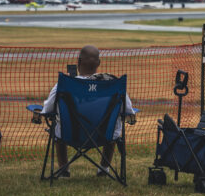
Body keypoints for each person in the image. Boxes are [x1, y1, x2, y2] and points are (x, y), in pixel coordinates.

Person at [40, 45, 135, 177]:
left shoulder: (63, 85)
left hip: (69, 135)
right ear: (99, 63)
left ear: (78, 61)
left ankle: (64, 170)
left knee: (57, 125)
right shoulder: (113, 86)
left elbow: (47, 110)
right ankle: (103, 168)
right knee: (114, 126)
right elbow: (129, 111)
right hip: (104, 136)